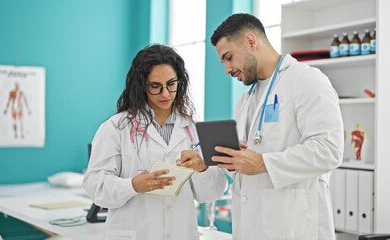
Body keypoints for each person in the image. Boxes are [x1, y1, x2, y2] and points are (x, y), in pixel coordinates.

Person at [210, 13, 344, 239]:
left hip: (295, 227)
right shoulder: (244, 100)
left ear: (251, 41)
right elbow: (248, 163)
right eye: (223, 62)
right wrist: (229, 161)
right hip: (251, 226)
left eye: (229, 57)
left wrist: (263, 163)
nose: (227, 69)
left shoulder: (307, 80)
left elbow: (328, 150)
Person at [83, 44, 227, 240]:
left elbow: (212, 193)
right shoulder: (115, 128)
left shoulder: (192, 129)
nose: (165, 94)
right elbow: (95, 186)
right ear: (141, 85)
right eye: (155, 86)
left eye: (171, 84)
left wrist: (202, 168)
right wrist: (132, 185)